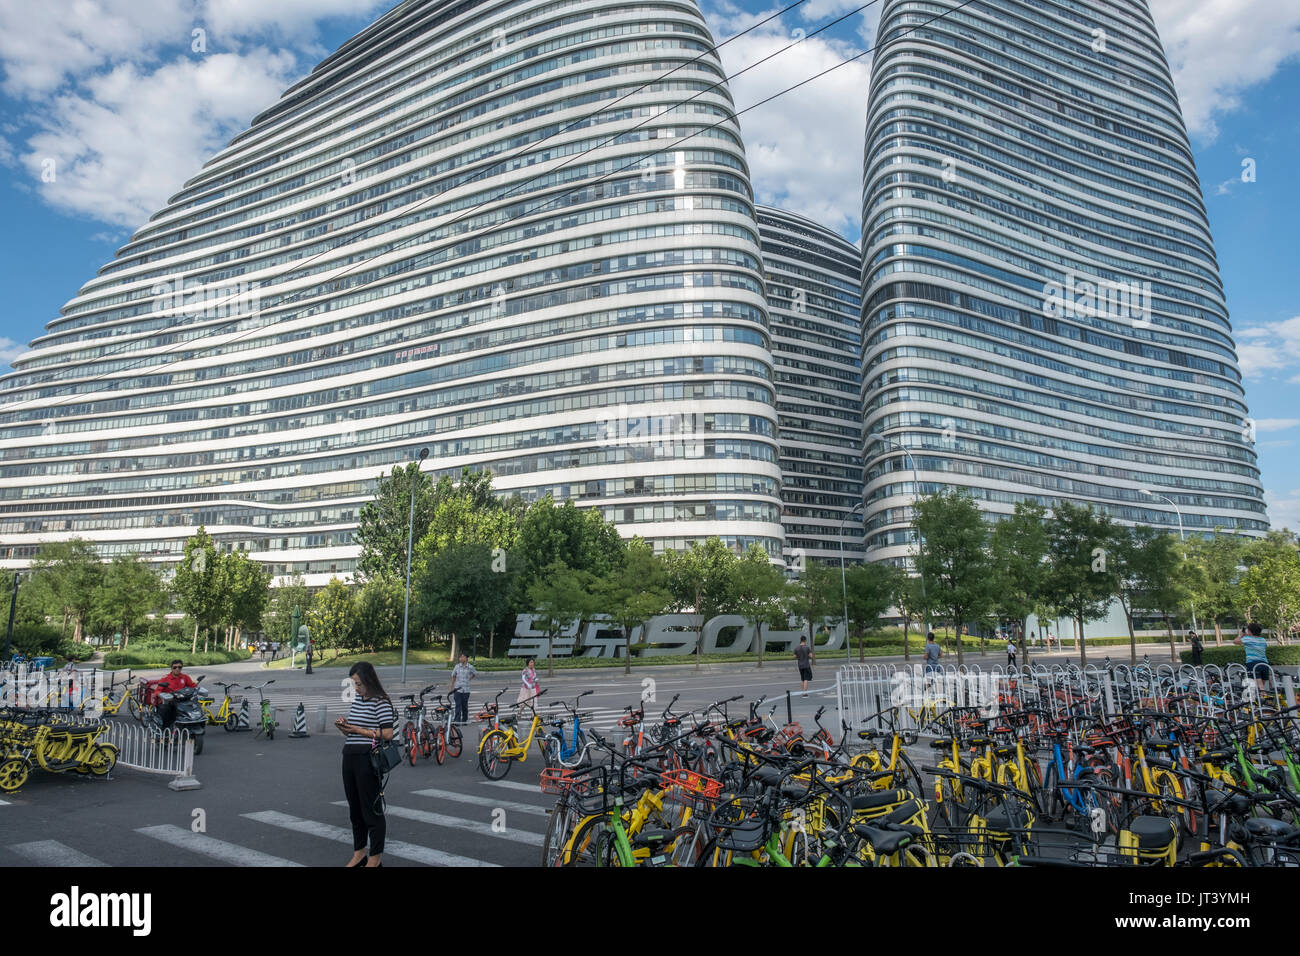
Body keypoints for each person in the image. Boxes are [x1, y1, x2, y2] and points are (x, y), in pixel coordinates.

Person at [334, 661, 394, 868]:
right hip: (349, 755)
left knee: (372, 810)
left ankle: (375, 859)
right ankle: (359, 853)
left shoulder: (381, 702)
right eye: (354, 684)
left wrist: (358, 730)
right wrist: (344, 727)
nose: (356, 688)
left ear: (368, 680)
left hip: (368, 759)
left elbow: (387, 733)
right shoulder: (359, 700)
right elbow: (352, 731)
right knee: (355, 810)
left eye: (358, 684)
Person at [155, 659, 196, 729]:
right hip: (169, 701)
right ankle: (163, 731)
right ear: (171, 668)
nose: (177, 669)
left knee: (195, 707)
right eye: (175, 667)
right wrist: (165, 696)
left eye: (179, 667)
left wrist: (198, 690)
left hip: (182, 700)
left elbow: (193, 686)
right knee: (165, 711)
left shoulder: (185, 677)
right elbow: (157, 691)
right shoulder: (165, 678)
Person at [1234, 622, 1271, 691]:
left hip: (1253, 663)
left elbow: (1235, 641)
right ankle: (1263, 699)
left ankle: (1261, 698)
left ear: (1250, 631)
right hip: (1264, 664)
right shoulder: (1263, 640)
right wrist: (1247, 635)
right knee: (1261, 685)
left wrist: (1241, 635)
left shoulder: (1247, 639)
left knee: (1260, 687)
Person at [450, 653, 476, 723]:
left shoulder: (470, 667)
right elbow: (453, 676)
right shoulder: (457, 666)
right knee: (458, 705)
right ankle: (457, 720)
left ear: (466, 658)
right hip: (457, 689)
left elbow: (474, 674)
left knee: (464, 706)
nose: (461, 658)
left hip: (466, 690)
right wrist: (452, 687)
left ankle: (465, 720)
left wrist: (469, 679)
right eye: (460, 657)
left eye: (463, 657)